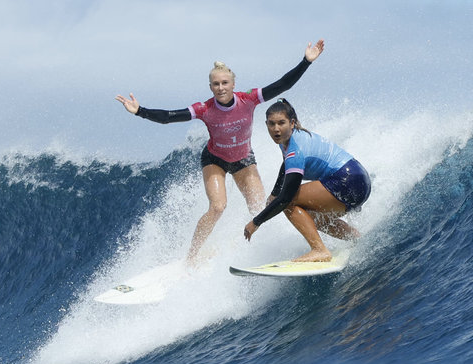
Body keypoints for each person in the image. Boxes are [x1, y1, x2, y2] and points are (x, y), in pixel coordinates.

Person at [115, 40, 325, 265]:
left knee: (260, 209)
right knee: (217, 206)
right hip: (215, 159)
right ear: (210, 87)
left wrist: (306, 62)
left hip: (243, 159)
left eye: (225, 83)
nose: (221, 87)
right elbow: (168, 117)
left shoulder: (249, 99)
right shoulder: (204, 109)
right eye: (216, 84)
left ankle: (256, 250)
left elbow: (283, 84)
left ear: (234, 84)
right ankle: (191, 257)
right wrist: (140, 111)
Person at [243, 99, 371, 262]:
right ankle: (355, 237)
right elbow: (285, 166)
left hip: (346, 181)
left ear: (292, 123)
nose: (276, 129)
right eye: (271, 124)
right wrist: (274, 193)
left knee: (288, 203)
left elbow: (286, 198)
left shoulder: (296, 151)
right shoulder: (289, 138)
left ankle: (319, 250)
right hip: (360, 180)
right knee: (309, 217)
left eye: (281, 123)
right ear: (266, 124)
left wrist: (256, 222)